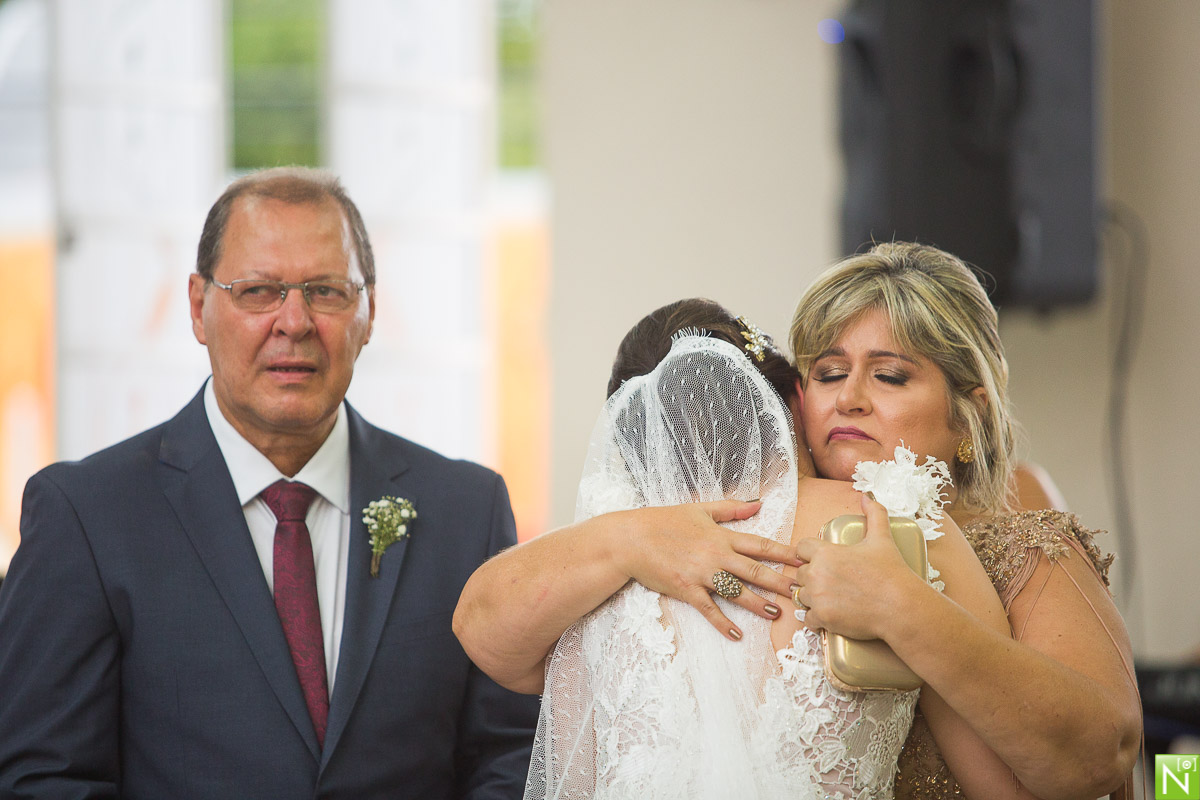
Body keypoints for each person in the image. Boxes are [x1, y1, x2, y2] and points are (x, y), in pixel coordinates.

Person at [454, 243, 1140, 800]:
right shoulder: (705, 545)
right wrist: (632, 538)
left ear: (970, 413)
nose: (849, 400)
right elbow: (486, 626)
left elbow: (1124, 766)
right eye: (829, 372)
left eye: (891, 376)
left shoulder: (1031, 542)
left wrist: (904, 606)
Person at [0, 167, 539, 799]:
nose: (295, 321)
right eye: (258, 291)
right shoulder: (88, 517)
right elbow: (43, 778)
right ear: (199, 307)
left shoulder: (466, 514)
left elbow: (513, 754)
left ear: (370, 312)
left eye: (327, 291)